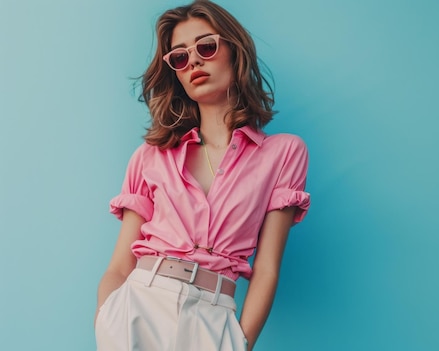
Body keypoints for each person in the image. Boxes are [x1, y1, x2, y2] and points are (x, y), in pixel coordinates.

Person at [94, 1, 310, 350]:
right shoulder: (150, 156)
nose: (193, 60)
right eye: (179, 57)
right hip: (138, 306)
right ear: (176, 74)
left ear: (233, 51)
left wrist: (239, 342)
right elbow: (120, 265)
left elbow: (267, 268)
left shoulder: (284, 153)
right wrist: (107, 318)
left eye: (206, 47)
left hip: (214, 317)